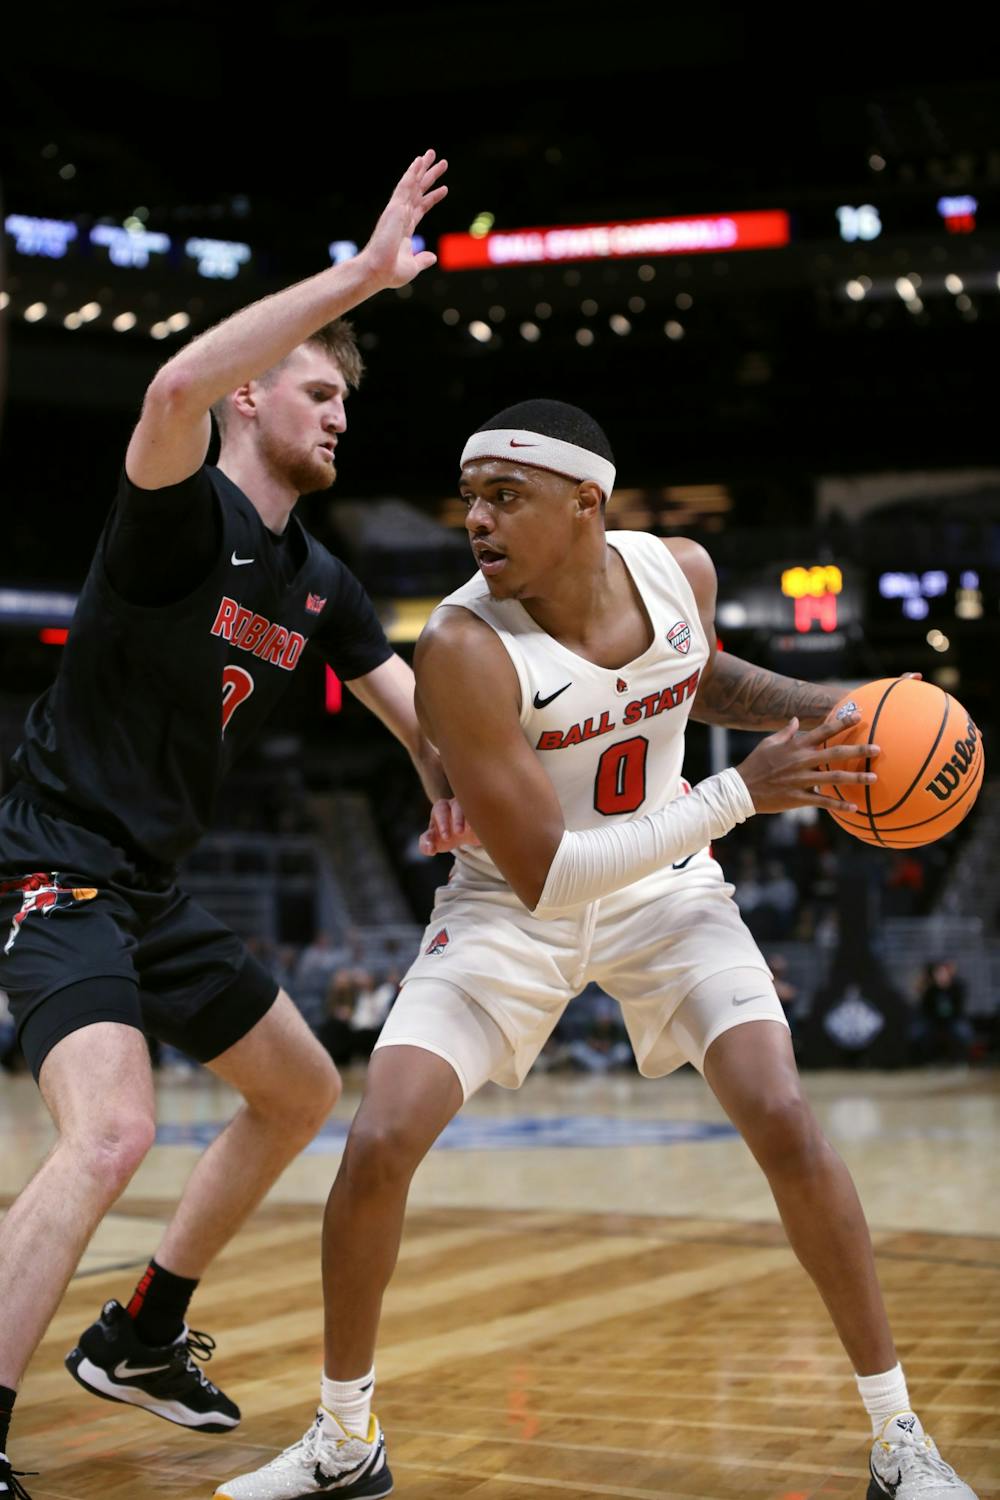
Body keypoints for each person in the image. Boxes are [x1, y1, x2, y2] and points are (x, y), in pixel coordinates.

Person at [217, 400, 977, 1500]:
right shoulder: (461, 648)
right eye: (466, 497)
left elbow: (693, 672)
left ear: (587, 502)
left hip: (668, 895)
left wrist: (835, 708)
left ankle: (898, 1436)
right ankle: (345, 1439)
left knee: (783, 1116)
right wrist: (735, 792)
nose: (474, 519)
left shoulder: (680, 571)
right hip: (511, 906)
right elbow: (548, 876)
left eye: (502, 495)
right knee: (378, 1137)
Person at [0, 150, 461, 1498]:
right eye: (320, 391)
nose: (339, 419)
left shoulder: (320, 582)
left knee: (302, 1085)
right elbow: (167, 386)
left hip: (148, 885)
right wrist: (363, 276)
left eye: (346, 403)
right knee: (111, 1132)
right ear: (253, 392)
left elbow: (420, 712)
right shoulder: (172, 513)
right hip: (55, 864)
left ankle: (141, 1332)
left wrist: (462, 783)